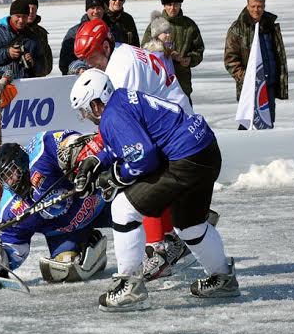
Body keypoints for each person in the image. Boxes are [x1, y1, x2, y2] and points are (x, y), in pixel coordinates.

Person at [69, 69, 238, 312]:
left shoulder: (112, 114)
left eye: (85, 109)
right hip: (205, 149)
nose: (86, 116)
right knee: (189, 225)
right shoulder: (121, 98)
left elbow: (143, 158)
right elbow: (128, 140)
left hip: (184, 159)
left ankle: (130, 286)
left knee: (123, 208)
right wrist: (96, 161)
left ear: (96, 103)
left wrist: (115, 177)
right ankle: (223, 277)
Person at [72, 18, 192, 281]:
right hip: (172, 119)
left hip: (172, 128)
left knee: (140, 183)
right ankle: (169, 236)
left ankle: (159, 248)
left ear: (105, 46)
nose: (89, 64)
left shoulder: (121, 67)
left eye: (91, 56)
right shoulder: (122, 55)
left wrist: (103, 155)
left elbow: (128, 124)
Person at [0, 131, 111, 290]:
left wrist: (74, 150)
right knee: (64, 270)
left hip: (99, 197)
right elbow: (14, 242)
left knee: (130, 211)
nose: (11, 181)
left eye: (11, 173)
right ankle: (89, 242)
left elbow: (68, 143)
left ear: (21, 162)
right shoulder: (11, 208)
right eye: (4, 179)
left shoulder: (41, 152)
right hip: (66, 230)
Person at [224, 0, 288, 128]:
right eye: (253, 6)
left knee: (268, 121)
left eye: (259, 6)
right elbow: (230, 60)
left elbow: (277, 54)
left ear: (264, 7)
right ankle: (244, 147)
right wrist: (247, 78)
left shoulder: (270, 27)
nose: (256, 10)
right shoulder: (237, 29)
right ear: (247, 6)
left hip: (269, 83)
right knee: (248, 122)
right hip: (250, 87)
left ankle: (267, 148)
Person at [141, 0, 204, 101]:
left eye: (176, 4)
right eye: (169, 4)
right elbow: (144, 49)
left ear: (180, 5)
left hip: (182, 85)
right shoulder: (156, 25)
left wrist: (190, 59)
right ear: (164, 6)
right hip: (160, 86)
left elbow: (199, 50)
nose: (172, 8)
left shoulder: (189, 26)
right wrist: (167, 52)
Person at [0, 0, 45, 79]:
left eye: (24, 17)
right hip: (3, 85)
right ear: (11, 15)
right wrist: (7, 53)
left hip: (27, 85)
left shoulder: (33, 37)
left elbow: (42, 66)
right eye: (18, 16)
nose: (21, 20)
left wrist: (33, 63)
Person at [59, 0, 113, 75]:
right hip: (84, 81)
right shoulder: (74, 33)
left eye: (98, 7)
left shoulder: (111, 30)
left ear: (103, 9)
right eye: (92, 8)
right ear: (87, 10)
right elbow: (64, 63)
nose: (95, 11)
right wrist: (79, 68)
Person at [20, 0, 53, 76]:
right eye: (28, 8)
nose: (31, 12)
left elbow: (48, 66)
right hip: (16, 82)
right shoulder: (10, 30)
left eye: (34, 9)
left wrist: (34, 63)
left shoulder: (41, 34)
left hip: (37, 81)